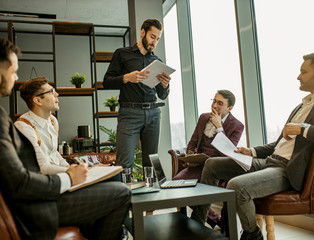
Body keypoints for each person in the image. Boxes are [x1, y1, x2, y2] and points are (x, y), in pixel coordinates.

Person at [191, 52, 314, 240]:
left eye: (303, 72)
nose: (298, 76)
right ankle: (197, 224)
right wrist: (251, 151)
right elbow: (279, 143)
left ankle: (252, 235)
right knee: (212, 164)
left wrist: (304, 129)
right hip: (268, 162)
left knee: (238, 186)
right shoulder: (300, 106)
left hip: (288, 170)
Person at [0, 38, 131, 240]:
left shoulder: (52, 121)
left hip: (45, 189)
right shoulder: (20, 126)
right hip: (38, 204)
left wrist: (75, 169)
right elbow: (24, 179)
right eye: (13, 71)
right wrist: (70, 176)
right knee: (121, 192)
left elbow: (55, 156)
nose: (16, 76)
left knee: (112, 176)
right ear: (37, 100)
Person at [103, 19, 171, 170]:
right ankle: (125, 193)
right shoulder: (122, 54)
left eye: (158, 39)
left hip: (153, 114)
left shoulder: (157, 61)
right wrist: (127, 78)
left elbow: (162, 95)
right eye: (152, 37)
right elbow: (106, 82)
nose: (154, 42)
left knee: (151, 163)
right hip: (129, 114)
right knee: (125, 162)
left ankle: (151, 193)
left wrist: (165, 86)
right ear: (143, 32)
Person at [173, 89, 244, 181]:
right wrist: (191, 158)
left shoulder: (237, 126)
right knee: (177, 180)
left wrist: (219, 127)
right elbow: (193, 142)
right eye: (214, 101)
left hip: (217, 167)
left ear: (230, 108)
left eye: (220, 103)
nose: (214, 106)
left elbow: (227, 153)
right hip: (198, 166)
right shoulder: (203, 117)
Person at [14, 77, 69, 174]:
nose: (57, 94)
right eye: (51, 92)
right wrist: (72, 171)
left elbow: (53, 153)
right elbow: (42, 167)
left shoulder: (53, 121)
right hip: (42, 182)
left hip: (58, 176)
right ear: (37, 100)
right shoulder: (23, 127)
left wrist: (70, 167)